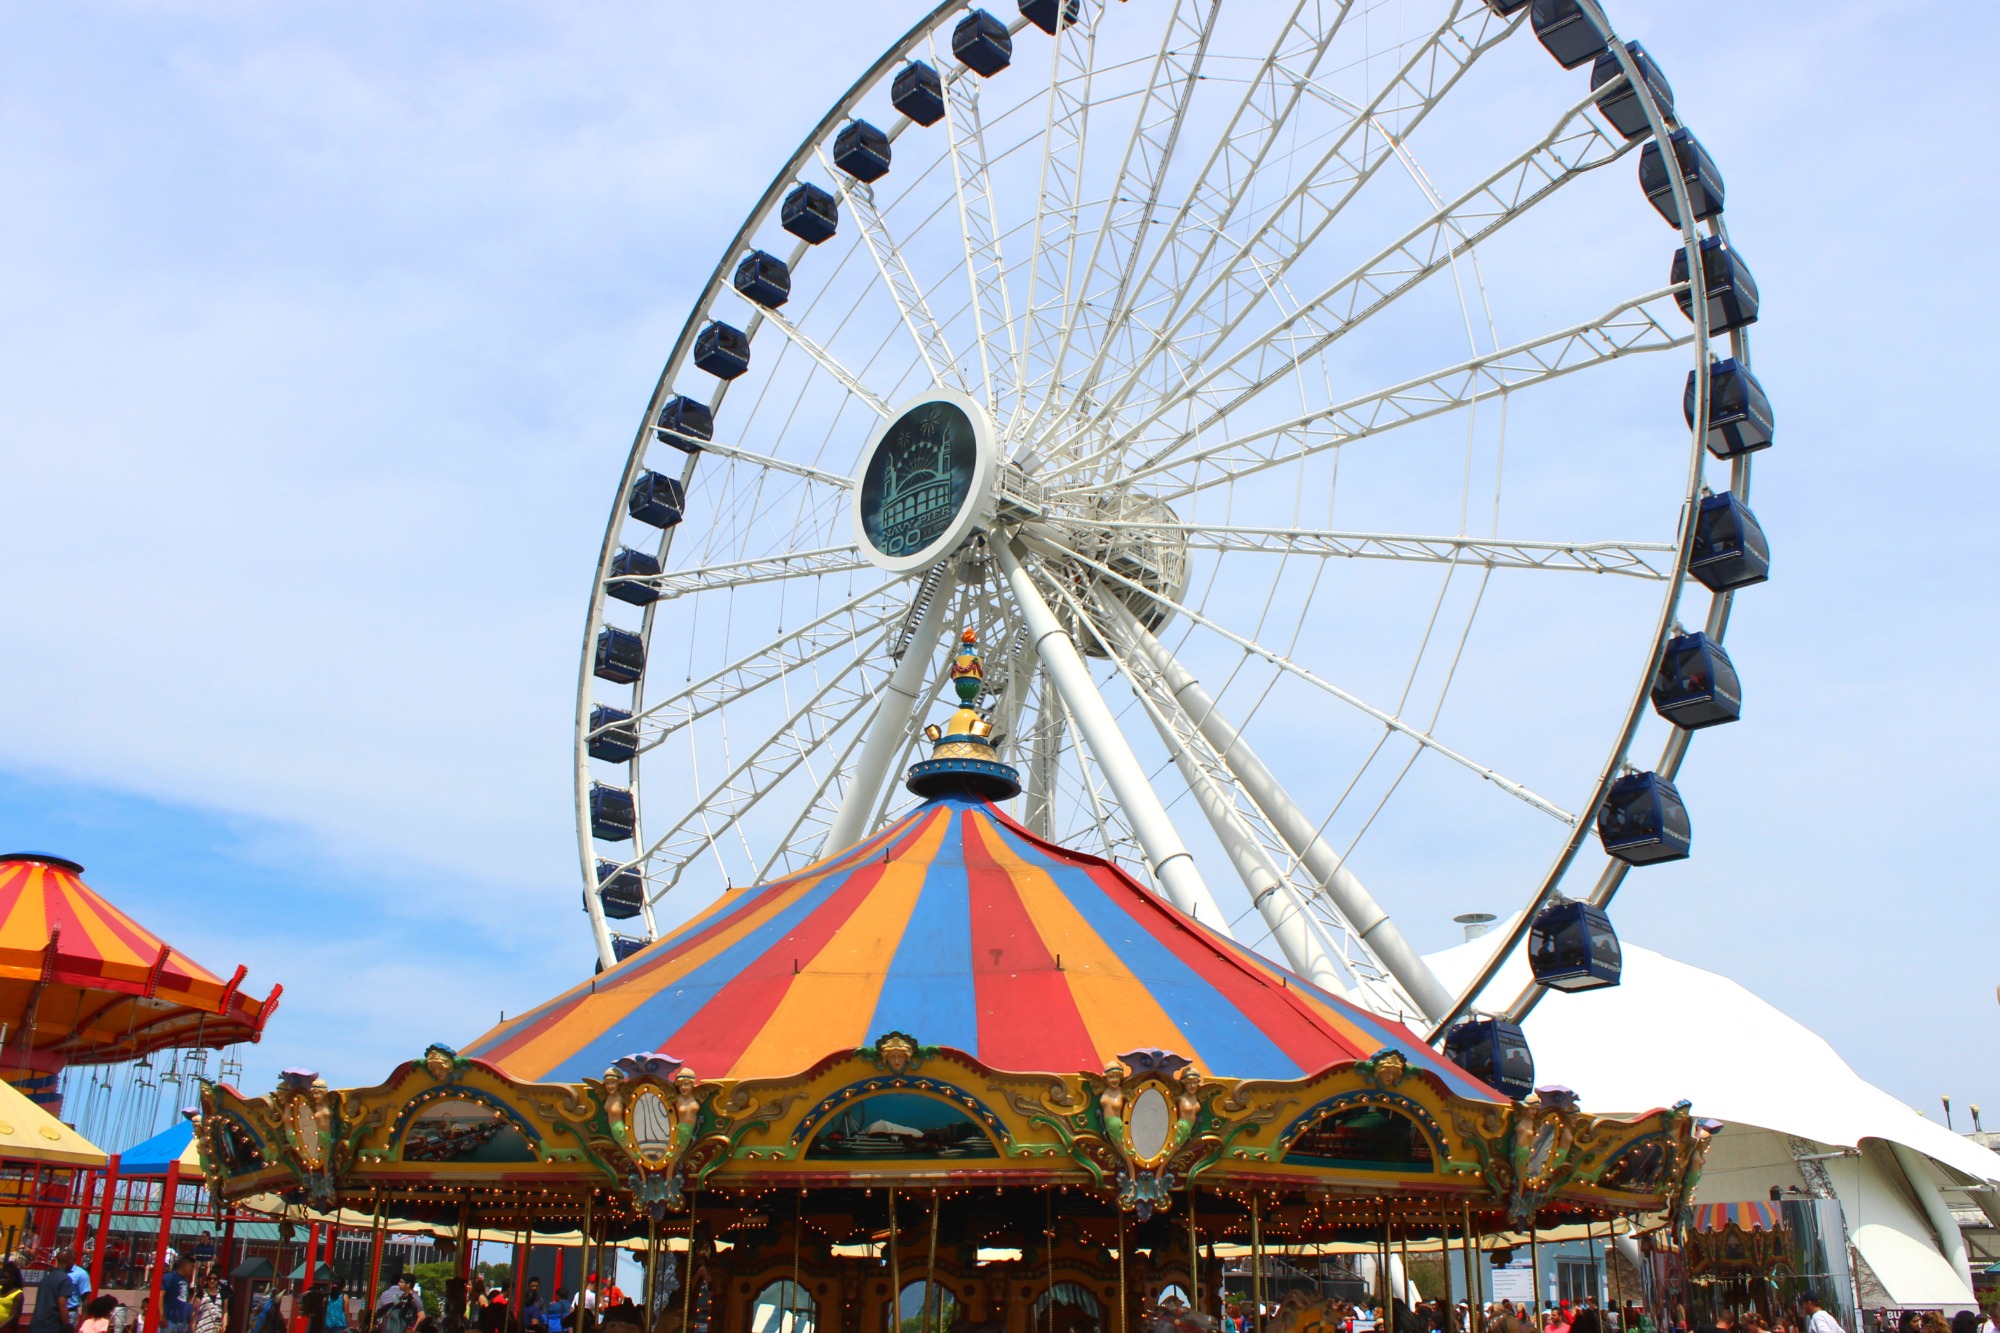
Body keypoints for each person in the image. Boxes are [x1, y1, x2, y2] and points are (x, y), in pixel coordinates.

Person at [29, 1252, 74, 1333]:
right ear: (69, 1262)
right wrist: (67, 1326)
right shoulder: (65, 1280)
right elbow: (62, 1305)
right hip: (52, 1326)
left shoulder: (45, 1278)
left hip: (36, 1324)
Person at [163, 1257, 196, 1333]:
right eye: (191, 1266)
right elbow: (160, 1296)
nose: (192, 1269)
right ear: (184, 1265)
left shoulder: (185, 1280)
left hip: (181, 1320)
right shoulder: (169, 1277)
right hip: (169, 1320)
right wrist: (162, 1316)